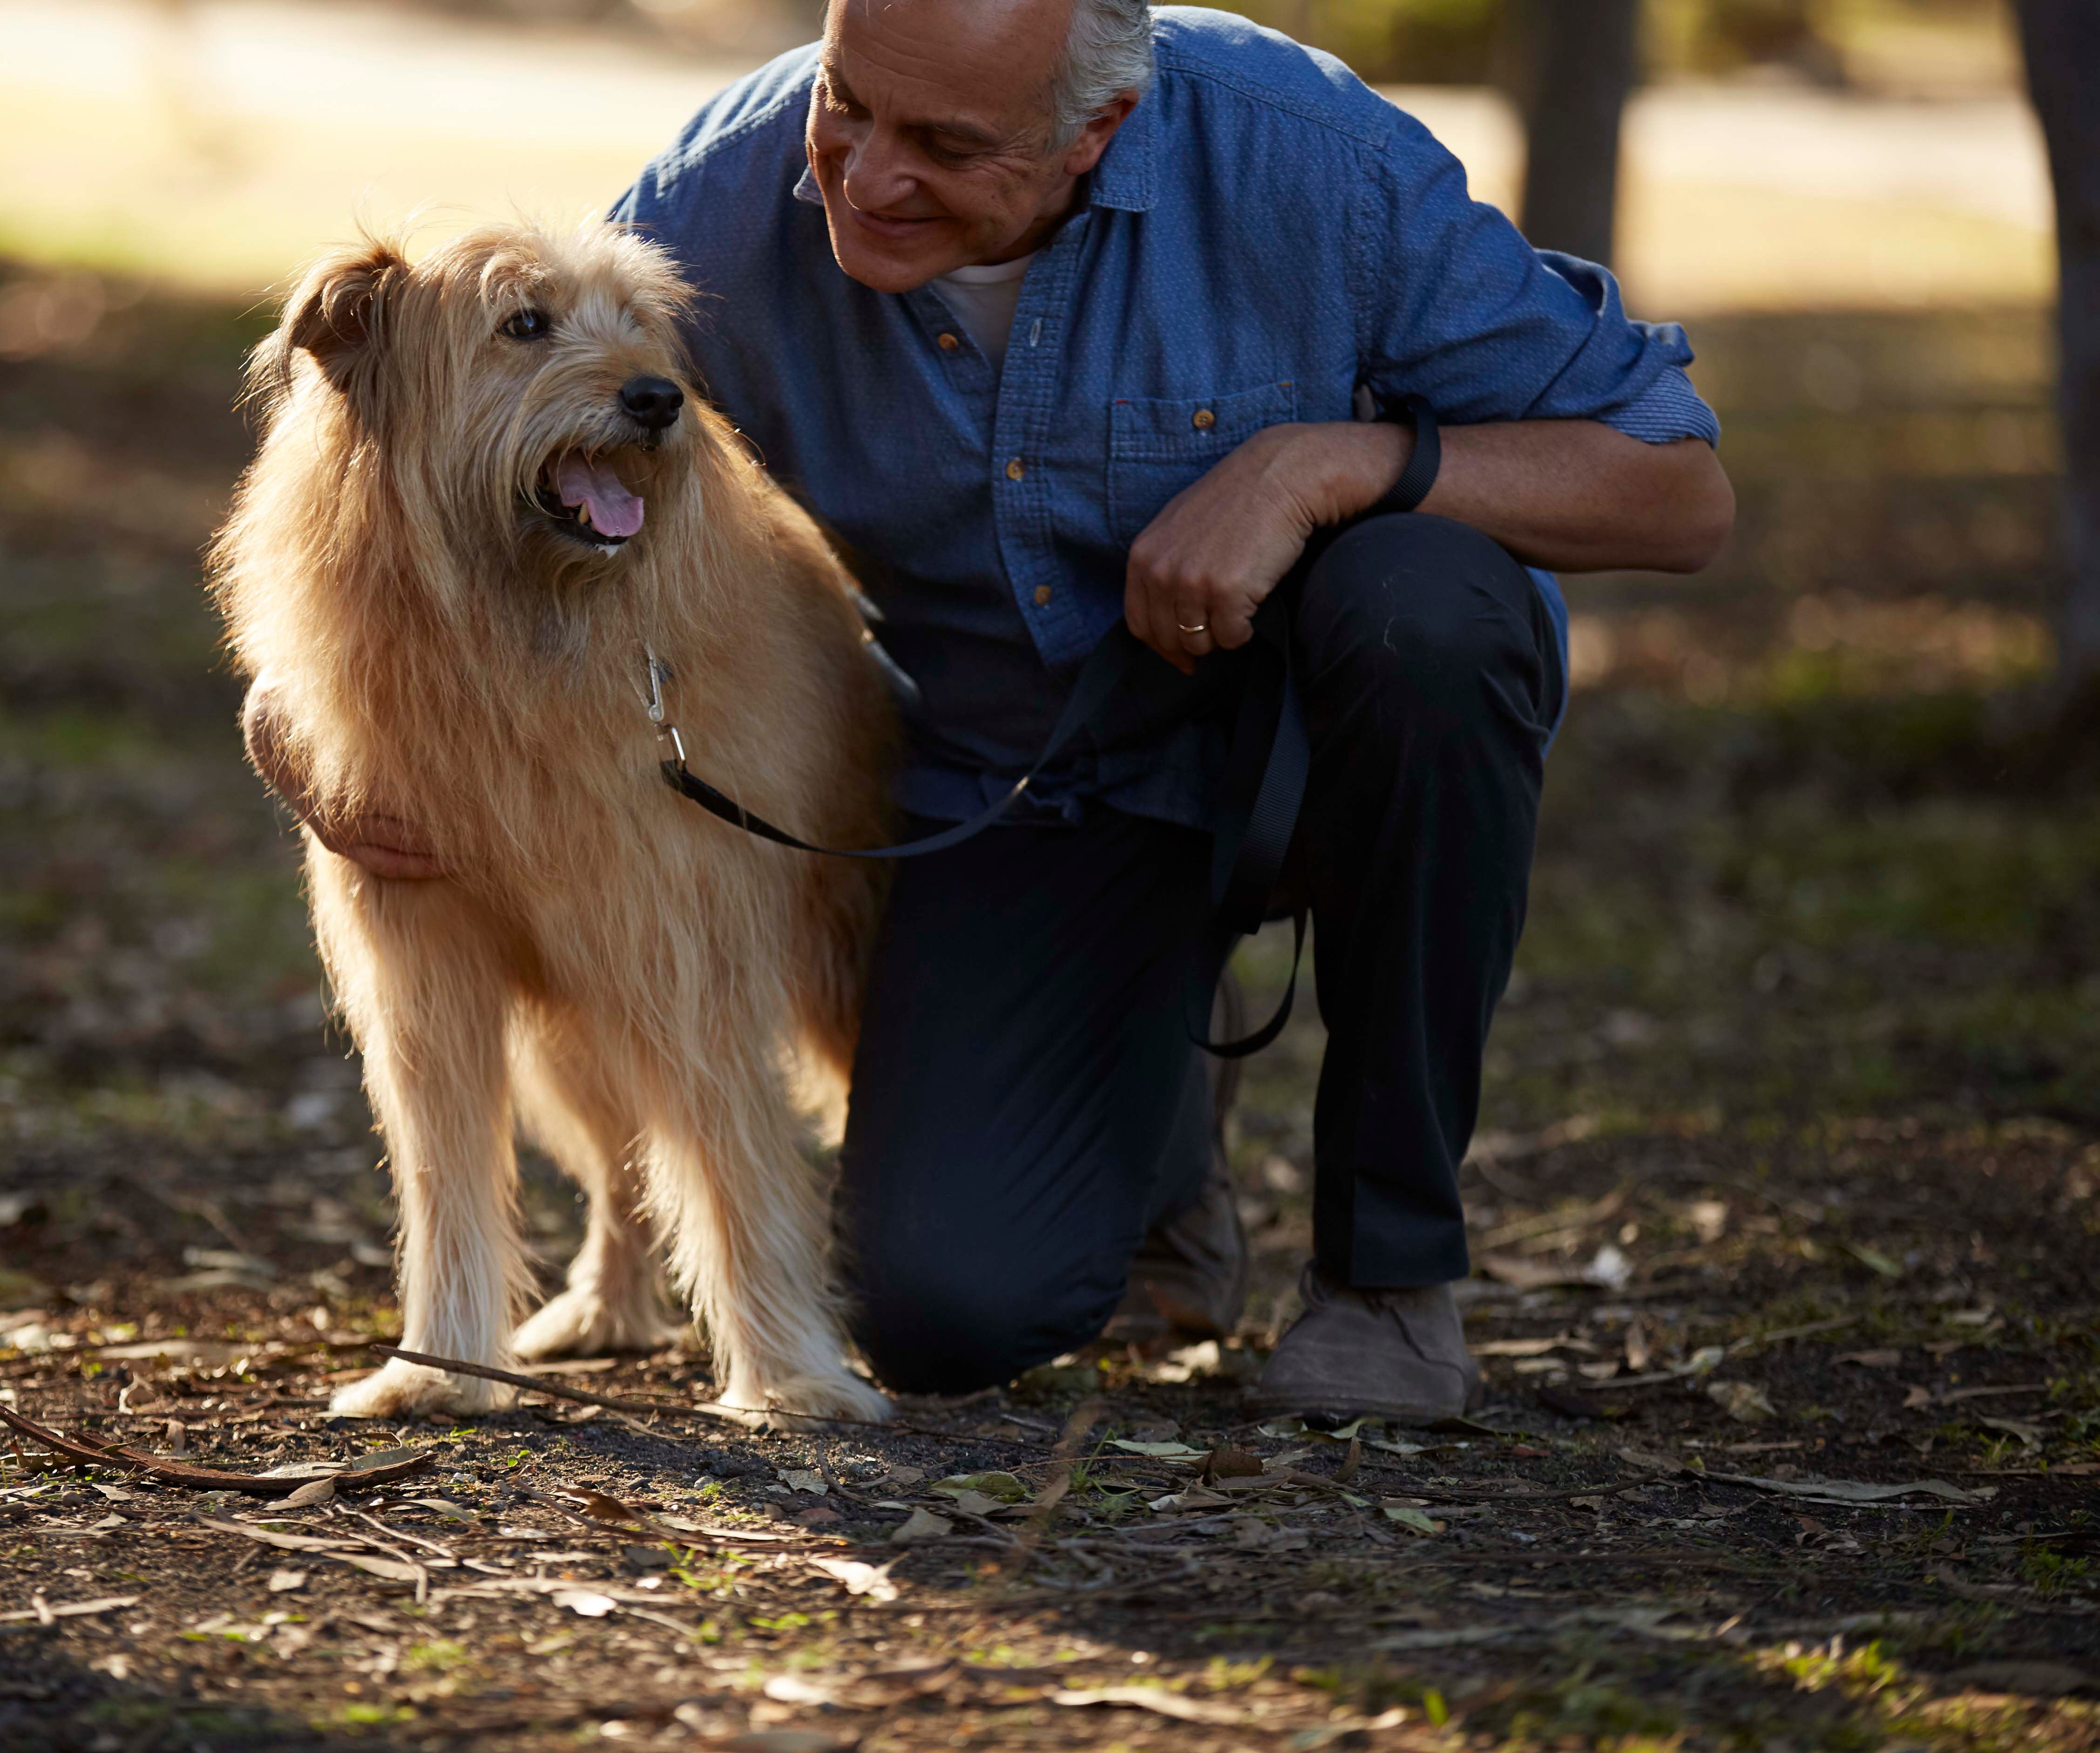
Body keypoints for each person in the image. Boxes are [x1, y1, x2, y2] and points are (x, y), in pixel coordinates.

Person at [611, 0, 1734, 1420]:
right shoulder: (719, 195)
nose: (867, 175)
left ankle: (1389, 1278)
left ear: (1100, 130)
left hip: (1329, 745)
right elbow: (510, 394)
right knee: (944, 1311)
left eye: (948, 144)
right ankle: (1160, 1155)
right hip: (1028, 779)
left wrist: (1320, 467)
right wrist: (322, 718)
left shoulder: (1309, 159)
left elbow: (1676, 486)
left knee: (1430, 607)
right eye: (850, 104)